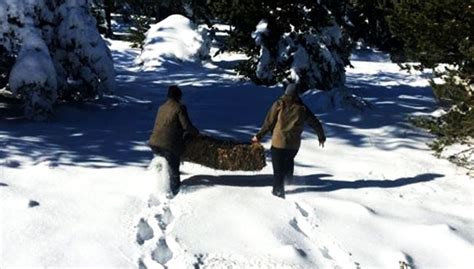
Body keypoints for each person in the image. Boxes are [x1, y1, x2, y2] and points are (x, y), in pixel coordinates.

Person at [252, 83, 326, 198]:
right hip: (293, 145)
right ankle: (289, 183)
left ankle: (278, 193)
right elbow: (314, 122)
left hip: (279, 143)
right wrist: (321, 136)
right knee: (288, 162)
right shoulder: (302, 108)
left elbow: (269, 122)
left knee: (278, 171)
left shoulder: (279, 104)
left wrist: (259, 136)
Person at [149, 85, 199, 195]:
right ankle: (174, 193)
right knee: (173, 170)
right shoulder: (179, 107)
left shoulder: (161, 107)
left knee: (161, 167)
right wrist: (197, 133)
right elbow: (187, 126)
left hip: (154, 143)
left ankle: (158, 187)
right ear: (179, 96)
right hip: (168, 145)